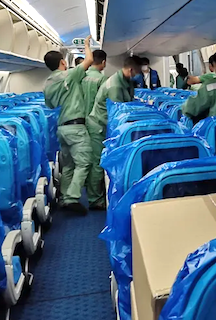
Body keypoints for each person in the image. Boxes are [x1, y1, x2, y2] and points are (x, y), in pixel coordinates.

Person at [43, 36, 94, 215]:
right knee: (85, 162)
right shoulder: (68, 75)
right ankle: (72, 197)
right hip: (75, 127)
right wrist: (86, 45)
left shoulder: (48, 84)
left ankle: (64, 197)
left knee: (69, 165)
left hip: (62, 128)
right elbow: (89, 60)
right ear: (63, 62)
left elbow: (50, 106)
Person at [85, 56, 142, 209]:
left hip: (107, 125)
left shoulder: (126, 81)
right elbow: (119, 115)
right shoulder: (115, 86)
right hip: (99, 126)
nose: (139, 76)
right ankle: (95, 200)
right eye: (138, 72)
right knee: (99, 162)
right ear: (131, 70)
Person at [82, 49, 108, 118]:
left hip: (80, 116)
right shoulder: (102, 79)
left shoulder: (82, 75)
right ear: (104, 62)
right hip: (95, 117)